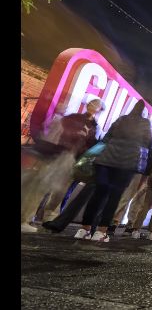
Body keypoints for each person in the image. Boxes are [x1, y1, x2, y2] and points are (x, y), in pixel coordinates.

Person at [74, 100, 152, 242]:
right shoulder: (145, 123)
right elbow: (149, 143)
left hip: (105, 161)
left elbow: (106, 138)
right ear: (144, 112)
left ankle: (84, 230)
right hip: (126, 164)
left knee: (98, 195)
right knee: (114, 197)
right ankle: (101, 232)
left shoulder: (122, 119)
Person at [21, 99, 102, 232]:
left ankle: (48, 217)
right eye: (92, 105)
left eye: (96, 107)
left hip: (71, 158)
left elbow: (88, 144)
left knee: (59, 190)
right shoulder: (75, 118)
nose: (93, 109)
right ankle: (29, 217)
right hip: (61, 154)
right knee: (43, 185)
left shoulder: (93, 126)